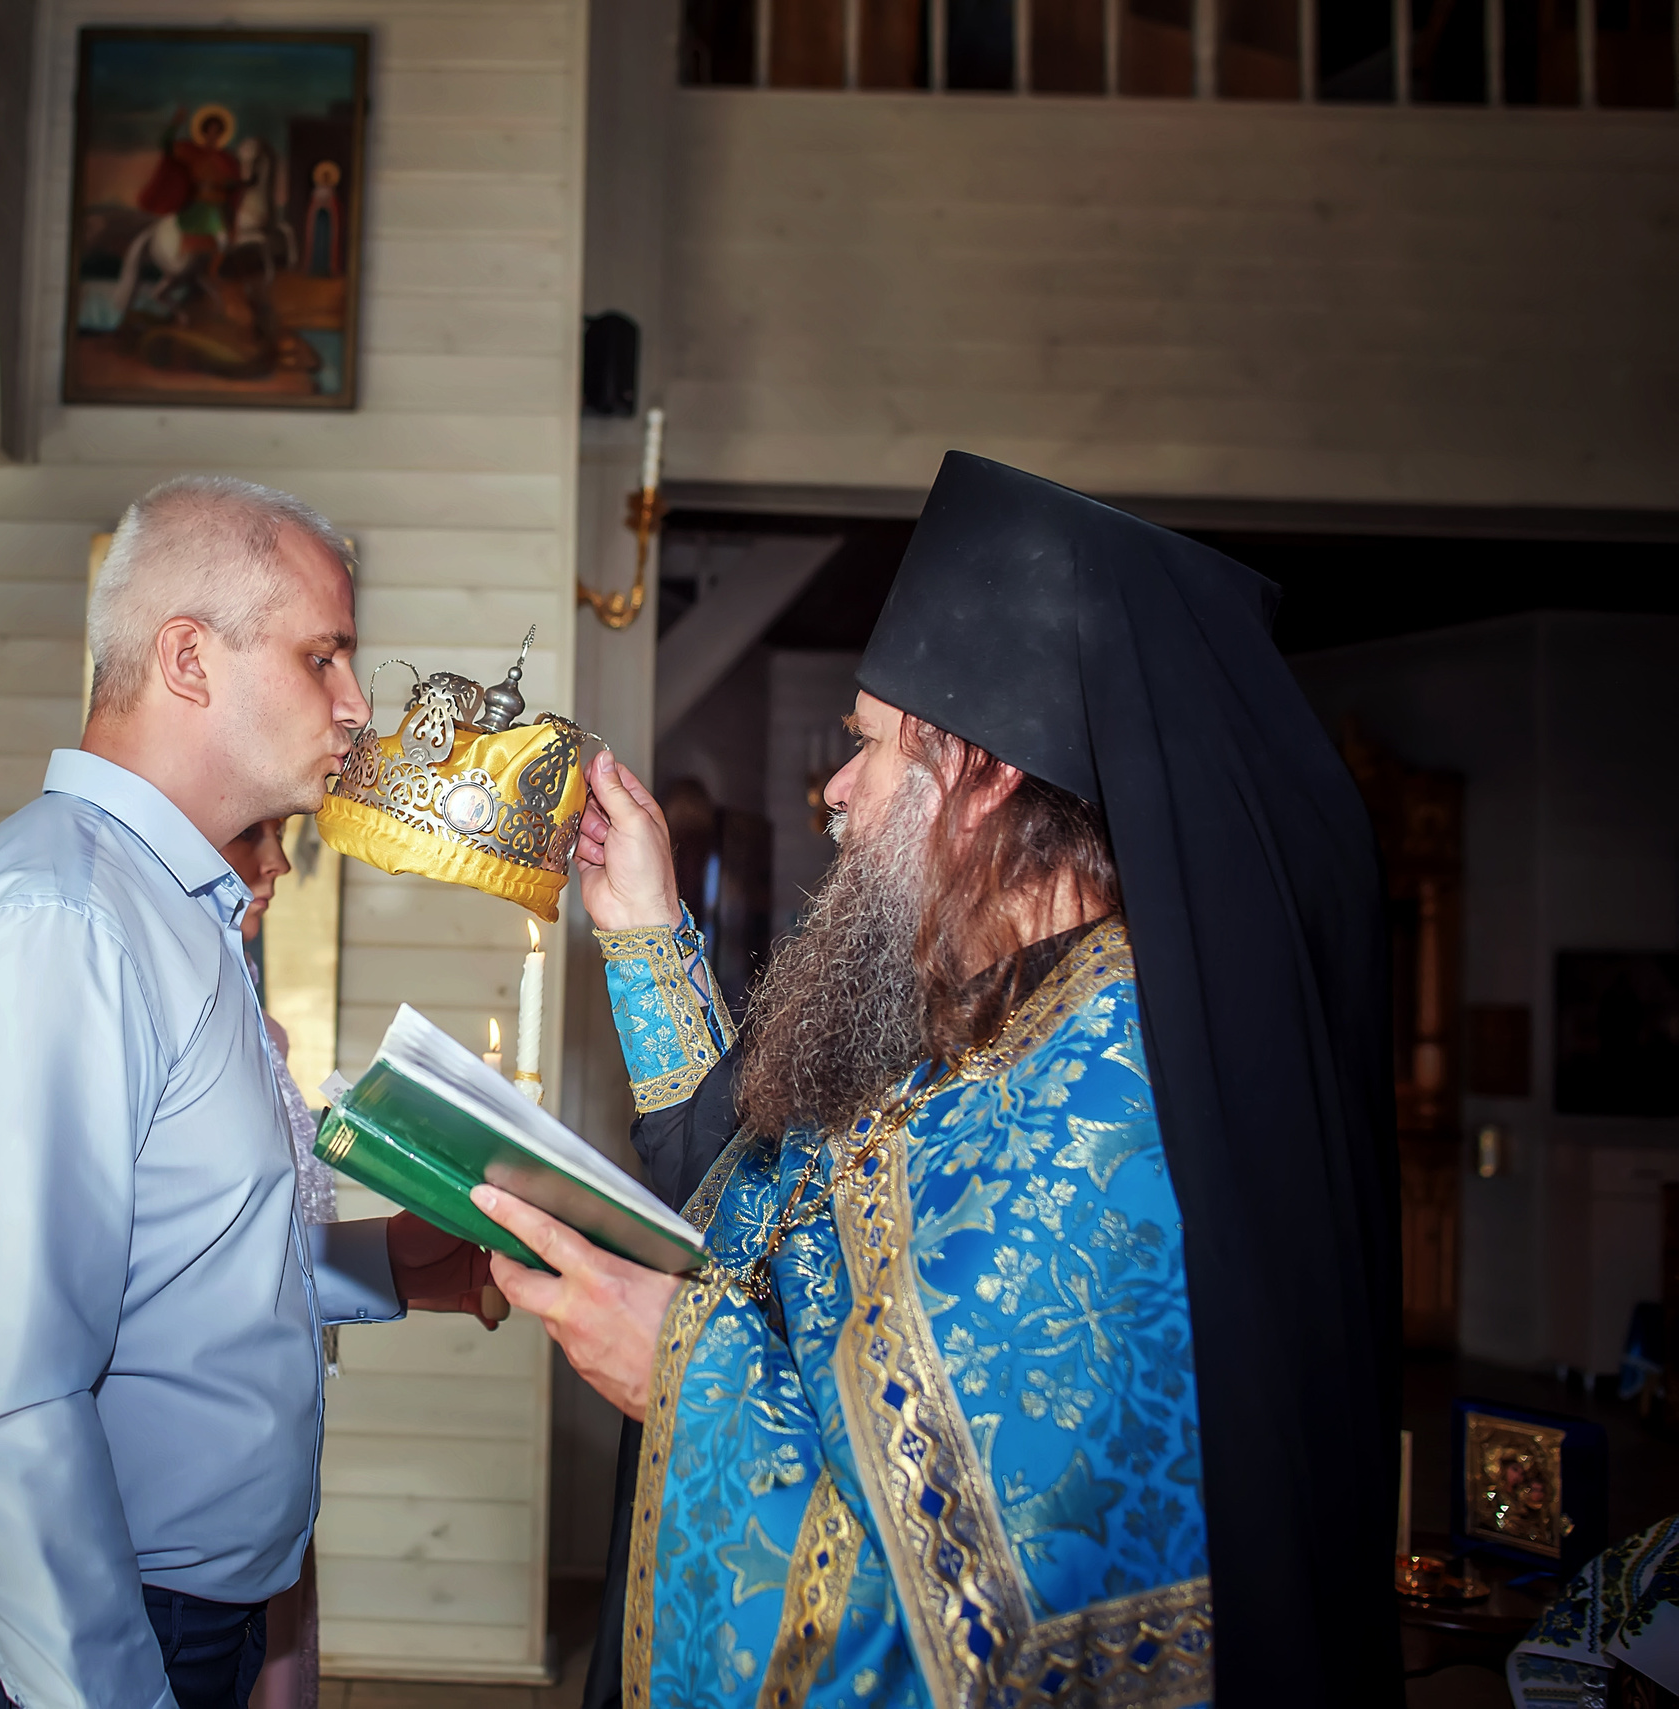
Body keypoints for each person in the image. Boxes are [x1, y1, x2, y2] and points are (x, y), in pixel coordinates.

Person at [486, 453, 1400, 1705]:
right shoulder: (968, 999)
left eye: (866, 748)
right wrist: (642, 922)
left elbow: (986, 1623)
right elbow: (739, 1190)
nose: (835, 789)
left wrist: (682, 1377)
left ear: (982, 771)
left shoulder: (1114, 1094)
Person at [0, 476, 494, 1709]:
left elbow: (188, 1270)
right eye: (324, 657)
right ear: (188, 659)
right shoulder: (65, 923)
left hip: (183, 1620)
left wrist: (398, 1266)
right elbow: (9, 1395)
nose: (357, 707)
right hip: (50, 1643)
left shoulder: (172, 913)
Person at [217, 816, 332, 1709]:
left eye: (283, 834)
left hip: (267, 1469)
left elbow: (278, 1249)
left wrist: (408, 1265)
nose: (278, 863)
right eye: (250, 834)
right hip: (189, 1493)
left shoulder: (258, 1033)